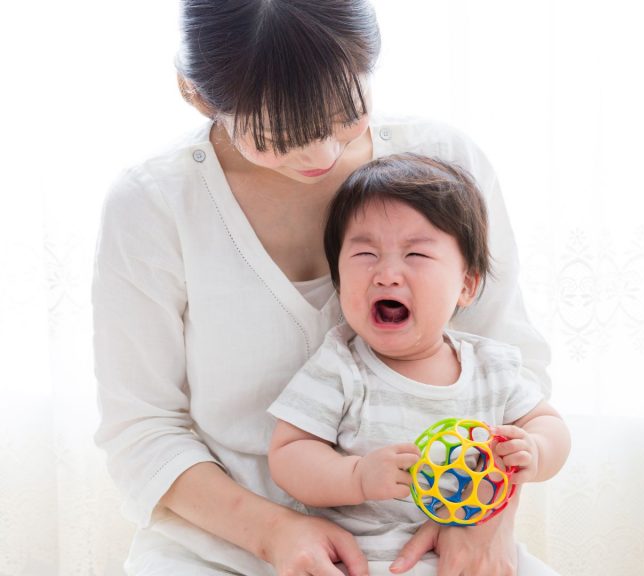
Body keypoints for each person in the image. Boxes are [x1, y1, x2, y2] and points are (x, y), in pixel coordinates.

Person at [92, 1, 553, 574]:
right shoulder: (155, 204)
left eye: (347, 111)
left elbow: (511, 368)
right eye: (279, 134)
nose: (323, 153)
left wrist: (482, 517)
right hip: (221, 544)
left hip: (425, 534)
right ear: (197, 95)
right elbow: (143, 429)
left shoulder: (442, 162)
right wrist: (271, 533)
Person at [266, 153, 571, 575]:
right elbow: (288, 451)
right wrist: (355, 476)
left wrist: (536, 449)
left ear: (465, 286)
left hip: (478, 550)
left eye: (416, 256)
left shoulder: (491, 367)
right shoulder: (342, 366)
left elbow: (548, 423)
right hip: (373, 556)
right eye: (365, 253)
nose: (387, 274)